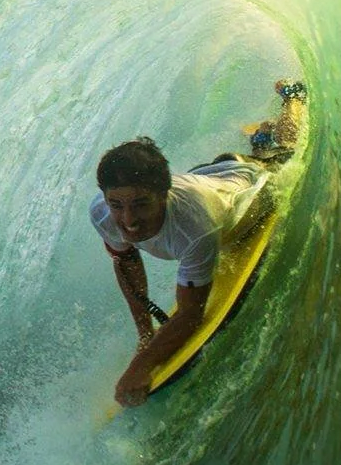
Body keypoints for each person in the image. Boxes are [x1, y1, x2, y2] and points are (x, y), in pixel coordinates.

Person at [92, 79, 309, 407]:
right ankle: (260, 138)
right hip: (210, 175)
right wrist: (145, 336)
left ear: (161, 195)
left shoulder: (196, 224)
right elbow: (126, 261)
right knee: (256, 151)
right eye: (117, 205)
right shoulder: (102, 213)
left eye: (140, 204)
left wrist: (142, 365)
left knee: (286, 148)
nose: (129, 220)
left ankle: (293, 99)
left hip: (250, 188)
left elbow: (192, 313)